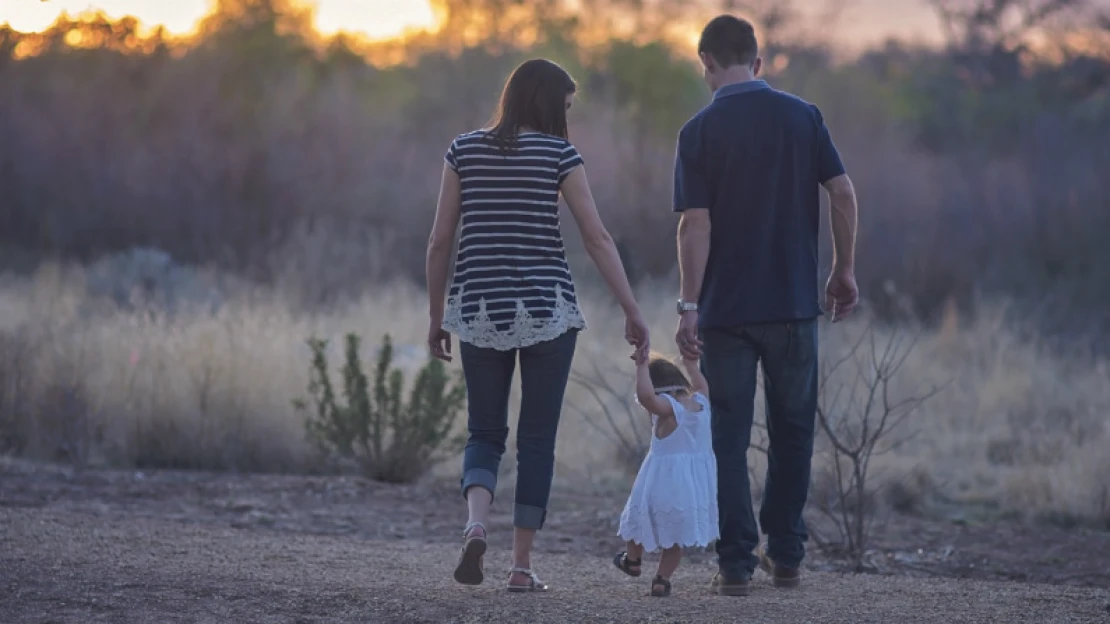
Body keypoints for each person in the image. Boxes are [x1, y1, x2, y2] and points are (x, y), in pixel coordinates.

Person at [425, 58, 650, 592]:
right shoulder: (559, 155)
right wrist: (632, 308)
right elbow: (597, 239)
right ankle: (521, 567)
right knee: (537, 440)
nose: (567, 117)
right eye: (566, 106)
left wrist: (437, 317)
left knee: (484, 431)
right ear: (549, 103)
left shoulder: (463, 150)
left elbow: (438, 241)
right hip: (549, 311)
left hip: (478, 310)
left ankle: (476, 522)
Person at [671, 15, 860, 595]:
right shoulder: (803, 117)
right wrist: (843, 269)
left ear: (705, 61)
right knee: (793, 431)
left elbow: (693, 226)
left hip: (726, 313)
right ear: (758, 61)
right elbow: (843, 193)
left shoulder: (698, 131)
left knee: (728, 436)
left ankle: (734, 566)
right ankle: (788, 556)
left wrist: (688, 305)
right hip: (794, 306)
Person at [612, 352, 718, 597]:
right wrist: (691, 364)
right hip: (692, 486)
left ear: (659, 389)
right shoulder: (702, 402)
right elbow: (701, 383)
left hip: (661, 481)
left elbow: (646, 397)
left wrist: (640, 367)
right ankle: (662, 580)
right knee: (675, 537)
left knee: (637, 520)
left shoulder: (668, 408)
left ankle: (633, 560)